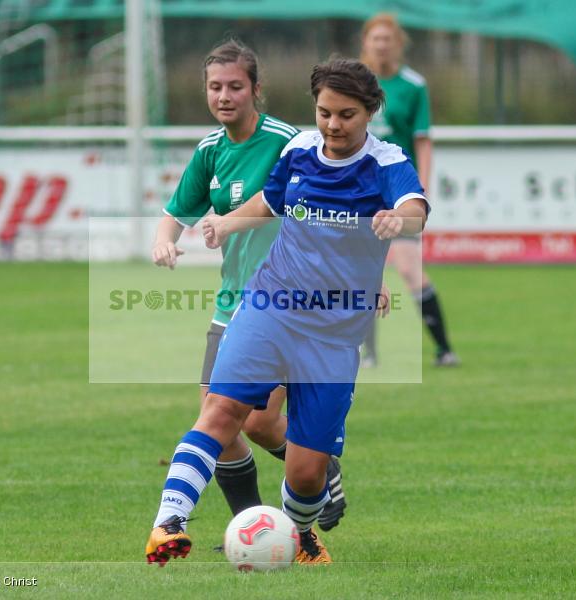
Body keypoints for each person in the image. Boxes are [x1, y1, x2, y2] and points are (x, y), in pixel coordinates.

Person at [145, 57, 428, 566]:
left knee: (305, 474)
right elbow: (270, 202)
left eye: (346, 115)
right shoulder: (299, 148)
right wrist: (228, 224)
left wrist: (397, 219)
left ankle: (294, 535)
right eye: (324, 113)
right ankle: (168, 524)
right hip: (270, 307)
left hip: (335, 335)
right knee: (221, 411)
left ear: (370, 113)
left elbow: (415, 209)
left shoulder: (386, 163)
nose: (333, 126)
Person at [151, 39, 346, 530]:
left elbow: (322, 200)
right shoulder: (210, 151)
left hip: (286, 302)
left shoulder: (288, 141)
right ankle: (252, 526)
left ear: (256, 89)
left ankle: (318, 468)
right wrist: (164, 242)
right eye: (215, 87)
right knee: (218, 426)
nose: (224, 96)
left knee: (255, 421)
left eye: (235, 86)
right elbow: (175, 214)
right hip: (229, 302)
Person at [360, 13, 459, 367]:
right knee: (360, 270)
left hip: (396, 191)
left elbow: (423, 140)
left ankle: (444, 348)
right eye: (376, 38)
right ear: (366, 42)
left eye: (388, 39)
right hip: (359, 191)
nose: (382, 44)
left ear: (398, 43)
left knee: (407, 268)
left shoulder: (413, 85)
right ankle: (367, 353)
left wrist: (422, 188)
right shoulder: (355, 81)